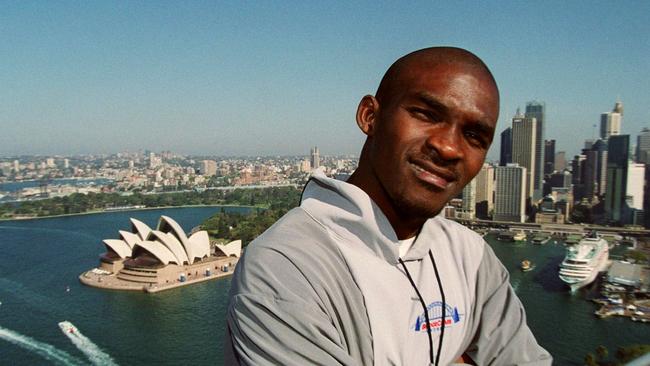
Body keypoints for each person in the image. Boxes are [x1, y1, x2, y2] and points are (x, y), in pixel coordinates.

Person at [225, 47, 552, 365]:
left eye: (474, 136)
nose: (450, 147)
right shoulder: (287, 267)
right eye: (426, 114)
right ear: (370, 117)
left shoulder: (472, 255)